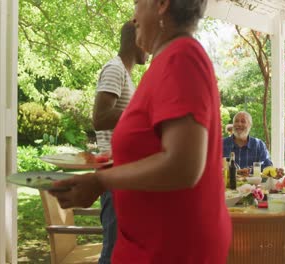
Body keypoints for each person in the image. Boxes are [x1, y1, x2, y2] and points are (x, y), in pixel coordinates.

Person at [50, 1, 231, 264]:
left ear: (161, 4)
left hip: (169, 250)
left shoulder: (181, 57)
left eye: (136, 3)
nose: (134, 18)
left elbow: (183, 165)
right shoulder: (166, 62)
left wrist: (101, 182)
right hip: (150, 245)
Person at [92, 21, 147, 264]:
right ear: (137, 41)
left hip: (125, 174)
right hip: (115, 174)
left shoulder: (125, 74)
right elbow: (99, 118)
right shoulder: (114, 69)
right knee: (113, 253)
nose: (149, 49)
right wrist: (143, 107)